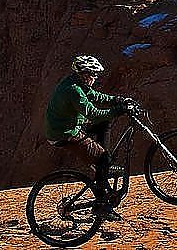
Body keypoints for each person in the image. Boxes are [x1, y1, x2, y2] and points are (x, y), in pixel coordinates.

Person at [44, 55, 129, 219]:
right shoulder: (74, 90)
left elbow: (96, 96)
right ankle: (101, 205)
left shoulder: (76, 82)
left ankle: (102, 166)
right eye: (93, 74)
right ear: (84, 74)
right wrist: (119, 110)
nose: (95, 77)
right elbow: (93, 113)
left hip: (67, 127)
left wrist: (118, 100)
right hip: (64, 133)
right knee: (103, 159)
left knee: (104, 124)